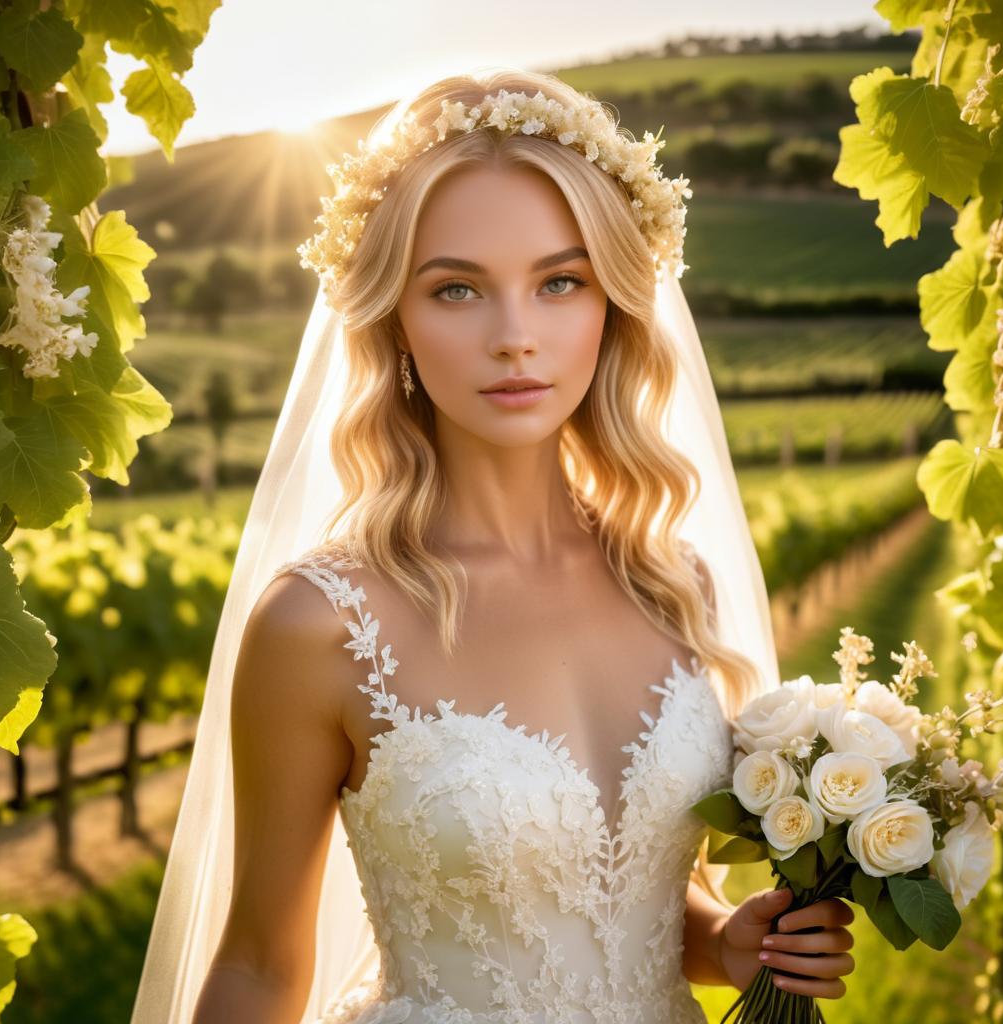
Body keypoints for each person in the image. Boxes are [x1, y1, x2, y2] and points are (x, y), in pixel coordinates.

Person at [131, 68, 855, 1024]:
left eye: (560, 282)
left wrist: (724, 939)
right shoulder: (320, 626)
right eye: (458, 289)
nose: (516, 337)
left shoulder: (675, 585)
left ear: (614, 305)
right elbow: (261, 967)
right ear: (393, 317)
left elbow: (611, 903)